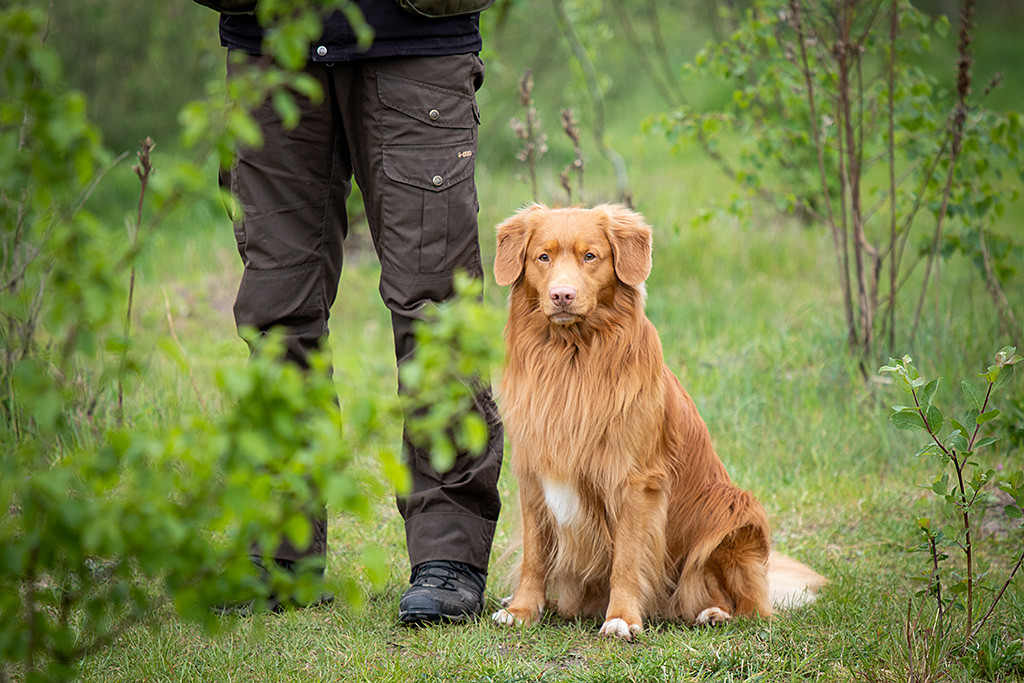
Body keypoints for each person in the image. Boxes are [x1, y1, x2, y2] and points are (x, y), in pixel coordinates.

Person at [213, 1, 503, 624]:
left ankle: (448, 553)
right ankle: (282, 546)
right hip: (271, 43)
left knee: (436, 308)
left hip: (415, 35)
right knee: (275, 309)